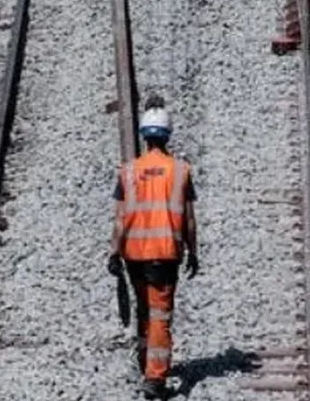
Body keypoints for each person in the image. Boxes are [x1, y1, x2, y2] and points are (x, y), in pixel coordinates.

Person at [107, 95, 199, 399]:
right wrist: (193, 251)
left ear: (144, 136)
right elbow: (188, 219)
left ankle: (146, 360)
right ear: (167, 134)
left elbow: (120, 218)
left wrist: (113, 251)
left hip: (133, 254)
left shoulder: (129, 171)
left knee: (144, 309)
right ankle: (156, 378)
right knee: (160, 315)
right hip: (164, 255)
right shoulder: (180, 170)